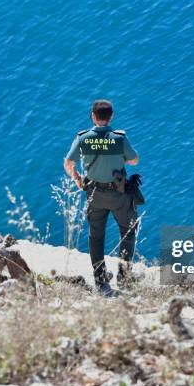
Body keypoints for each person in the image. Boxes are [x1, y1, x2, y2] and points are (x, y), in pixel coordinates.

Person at [64, 99, 140, 296]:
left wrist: (78, 181)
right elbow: (134, 160)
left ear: (93, 117)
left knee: (96, 237)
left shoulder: (83, 138)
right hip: (118, 194)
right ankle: (124, 277)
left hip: (94, 194)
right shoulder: (119, 138)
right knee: (128, 231)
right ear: (111, 117)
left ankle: (100, 280)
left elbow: (68, 164)